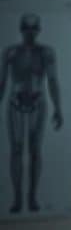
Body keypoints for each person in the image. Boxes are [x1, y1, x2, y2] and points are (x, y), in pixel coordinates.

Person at [2, 13, 62, 213]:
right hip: (15, 102)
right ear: (21, 29)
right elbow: (2, 84)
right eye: (26, 28)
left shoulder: (46, 52)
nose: (30, 32)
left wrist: (58, 109)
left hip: (38, 101)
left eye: (33, 27)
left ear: (38, 29)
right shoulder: (10, 52)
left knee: (35, 151)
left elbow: (52, 80)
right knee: (17, 149)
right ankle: (18, 198)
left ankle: (32, 197)